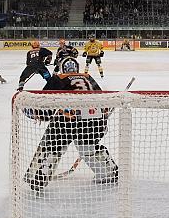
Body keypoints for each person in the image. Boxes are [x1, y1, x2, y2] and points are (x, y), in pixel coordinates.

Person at [23, 57, 117, 191]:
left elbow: (46, 104)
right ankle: (108, 172)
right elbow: (101, 98)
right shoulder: (87, 76)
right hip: (96, 121)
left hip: (69, 120)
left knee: (54, 146)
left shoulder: (58, 78)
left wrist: (36, 113)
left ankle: (42, 174)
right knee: (87, 149)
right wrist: (104, 112)